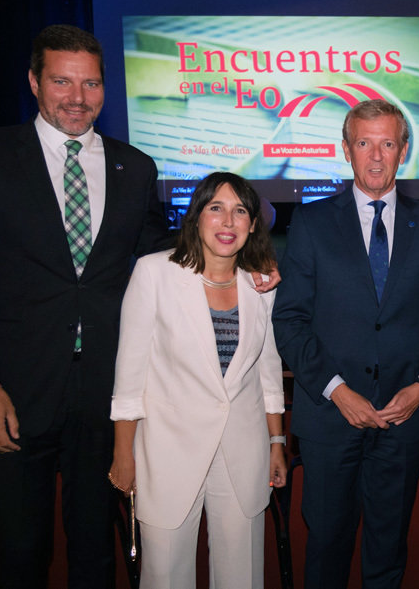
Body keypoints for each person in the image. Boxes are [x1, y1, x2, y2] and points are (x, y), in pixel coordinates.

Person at [0, 24, 169, 589]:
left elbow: (163, 262)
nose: (77, 97)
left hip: (104, 393)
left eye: (90, 84)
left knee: (97, 551)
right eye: (62, 81)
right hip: (12, 394)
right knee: (20, 553)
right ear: (34, 82)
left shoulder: (135, 167)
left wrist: (248, 265)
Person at [271, 99, 419, 588]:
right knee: (327, 548)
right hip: (330, 421)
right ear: (345, 150)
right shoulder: (310, 225)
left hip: (405, 421)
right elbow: (289, 321)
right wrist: (337, 389)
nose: (376, 156)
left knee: (388, 549)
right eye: (364, 143)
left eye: (388, 143)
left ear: (405, 150)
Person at [108, 172, 286, 588]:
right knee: (165, 577)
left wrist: (276, 442)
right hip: (168, 453)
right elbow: (129, 375)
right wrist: (123, 453)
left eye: (240, 211)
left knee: (242, 577)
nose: (228, 222)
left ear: (254, 224)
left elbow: (268, 369)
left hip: (243, 454)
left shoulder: (260, 283)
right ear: (195, 217)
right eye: (216, 208)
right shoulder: (154, 273)